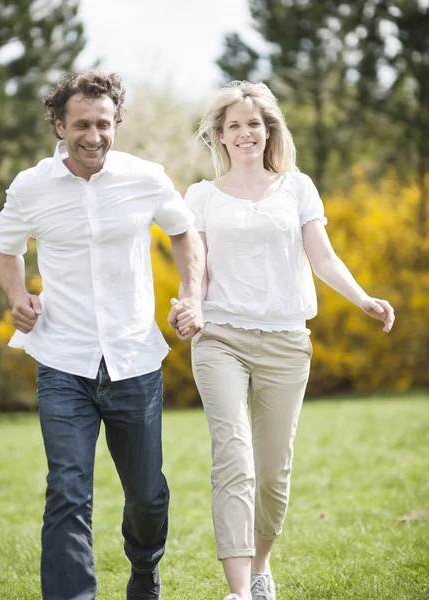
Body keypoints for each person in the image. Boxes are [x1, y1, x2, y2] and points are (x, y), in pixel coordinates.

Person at [170, 81, 395, 600]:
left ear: (268, 129)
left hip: (286, 340)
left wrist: (362, 299)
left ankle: (260, 568)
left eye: (254, 123)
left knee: (272, 470)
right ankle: (239, 593)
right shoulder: (201, 196)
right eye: (233, 126)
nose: (245, 133)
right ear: (220, 137)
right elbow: (197, 269)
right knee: (234, 456)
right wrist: (192, 307)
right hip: (221, 337)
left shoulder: (296, 186)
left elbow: (323, 257)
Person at [0, 71, 204, 600]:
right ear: (59, 125)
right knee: (67, 490)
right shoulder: (30, 186)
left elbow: (184, 231)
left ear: (116, 124)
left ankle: (144, 568)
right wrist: (17, 297)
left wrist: (192, 295)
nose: (93, 135)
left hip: (135, 360)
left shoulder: (145, 178)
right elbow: (3, 246)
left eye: (103, 124)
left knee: (148, 496)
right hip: (63, 360)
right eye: (81, 124)